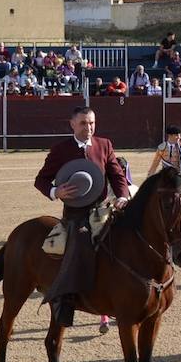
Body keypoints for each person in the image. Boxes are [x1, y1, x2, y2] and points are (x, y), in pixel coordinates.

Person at [33, 106, 130, 327]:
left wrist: (123, 196)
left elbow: (117, 175)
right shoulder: (60, 150)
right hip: (76, 214)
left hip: (104, 209)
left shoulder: (104, 144)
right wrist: (55, 191)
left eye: (92, 123)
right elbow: (41, 180)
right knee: (79, 243)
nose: (89, 128)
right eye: (84, 123)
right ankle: (65, 299)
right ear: (72, 124)